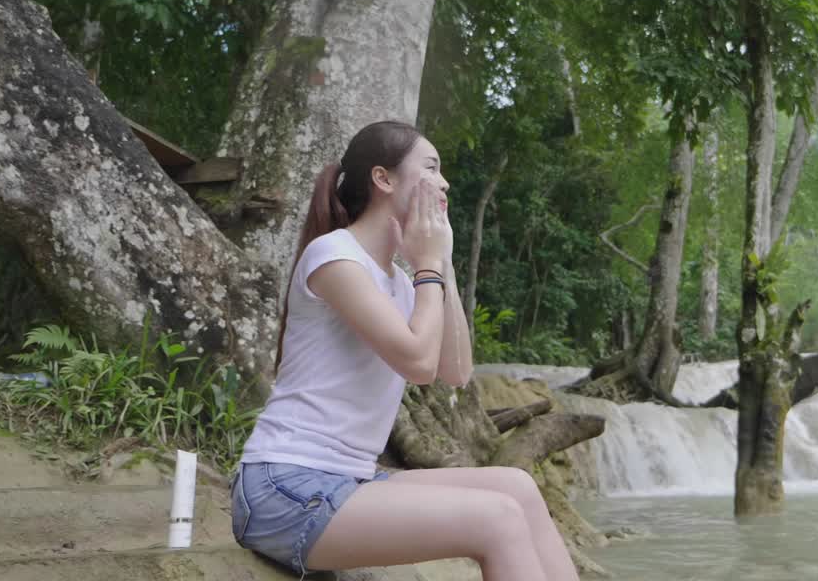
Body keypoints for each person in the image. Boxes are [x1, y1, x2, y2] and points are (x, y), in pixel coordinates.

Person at [230, 121, 578, 581]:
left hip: (352, 479)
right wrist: (428, 265)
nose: (444, 182)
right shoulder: (334, 256)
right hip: (284, 484)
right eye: (431, 168)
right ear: (384, 178)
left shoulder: (403, 282)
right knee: (498, 519)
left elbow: (455, 370)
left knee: (516, 486)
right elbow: (417, 363)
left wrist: (441, 263)